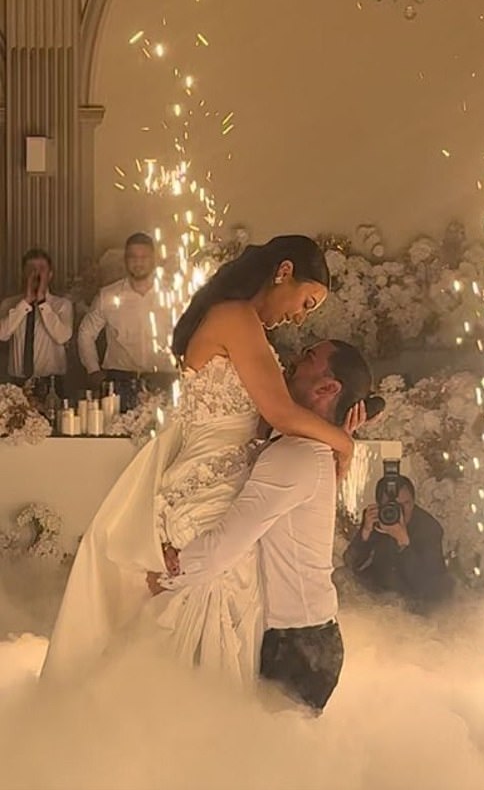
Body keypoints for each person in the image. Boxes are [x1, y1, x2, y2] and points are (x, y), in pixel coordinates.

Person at [42, 236, 356, 686]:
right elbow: (281, 414)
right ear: (283, 271)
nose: (301, 316)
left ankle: (200, 734)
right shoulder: (235, 318)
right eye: (307, 301)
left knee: (223, 609)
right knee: (207, 609)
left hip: (221, 480)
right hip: (208, 487)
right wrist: (345, 446)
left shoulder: (248, 326)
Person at [147, 339, 373, 713]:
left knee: (276, 761)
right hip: (305, 636)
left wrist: (168, 574)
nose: (291, 364)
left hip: (298, 644)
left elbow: (227, 542)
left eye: (307, 359)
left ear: (328, 387)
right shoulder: (305, 449)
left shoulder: (294, 455)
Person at [77, 232, 175, 408]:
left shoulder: (172, 294)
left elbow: (190, 331)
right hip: (121, 380)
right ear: (125, 260)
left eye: (144, 257)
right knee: (117, 432)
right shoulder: (108, 295)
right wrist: (93, 370)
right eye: (133, 257)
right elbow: (86, 332)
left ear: (154, 259)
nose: (138, 262)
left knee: (166, 434)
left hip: (163, 379)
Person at [343, 475, 453, 611]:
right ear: (379, 505)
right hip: (380, 592)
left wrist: (404, 543)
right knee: (341, 577)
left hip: (416, 599)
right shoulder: (379, 520)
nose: (400, 511)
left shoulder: (429, 528)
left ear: (413, 502)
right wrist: (365, 532)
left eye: (406, 504)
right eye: (393, 506)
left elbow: (428, 583)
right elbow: (351, 563)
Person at [0, 248, 72, 397]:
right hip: (17, 383)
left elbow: (62, 337)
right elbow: (3, 334)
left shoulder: (62, 305)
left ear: (50, 274)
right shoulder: (9, 304)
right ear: (23, 274)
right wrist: (26, 301)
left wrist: (42, 301)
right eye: (30, 269)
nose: (36, 274)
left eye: (41, 269)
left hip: (50, 384)